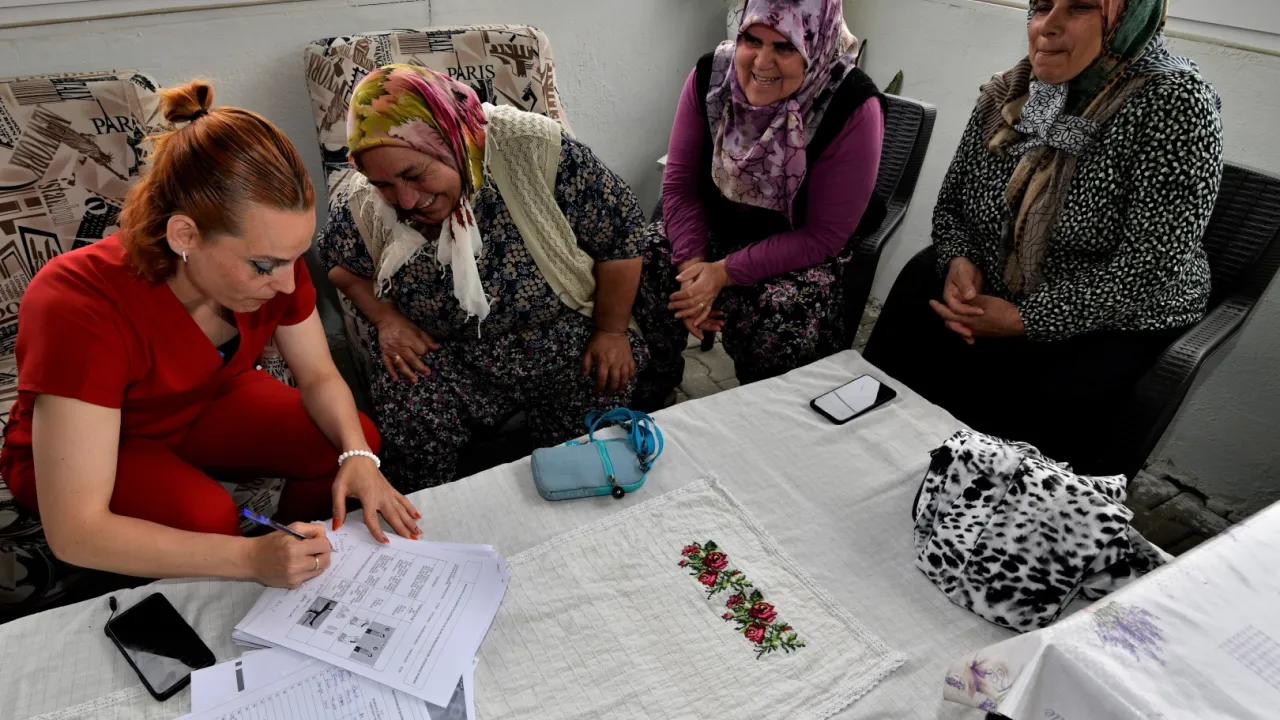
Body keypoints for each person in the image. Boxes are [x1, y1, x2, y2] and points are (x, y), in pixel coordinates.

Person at [0, 81, 421, 590]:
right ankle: (245, 573)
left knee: (352, 440)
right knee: (206, 518)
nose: (289, 285)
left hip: (201, 403)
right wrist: (249, 558)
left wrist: (357, 456)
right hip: (96, 446)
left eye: (295, 258)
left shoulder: (271, 261)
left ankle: (305, 557)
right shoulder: (76, 303)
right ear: (185, 236)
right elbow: (75, 531)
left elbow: (317, 376)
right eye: (264, 265)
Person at [864, 0, 1223, 474]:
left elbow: (1149, 267)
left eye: (1079, 7)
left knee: (1024, 415)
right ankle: (877, 458)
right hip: (999, 291)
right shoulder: (1012, 92)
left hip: (1111, 316)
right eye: (1041, 6)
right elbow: (952, 205)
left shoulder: (1175, 103)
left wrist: (1027, 319)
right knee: (918, 300)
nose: (1047, 26)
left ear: (1128, 17)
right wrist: (959, 260)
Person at [318, 65, 686, 493]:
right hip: (448, 353)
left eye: (415, 175)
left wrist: (611, 330)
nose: (405, 199)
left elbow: (620, 238)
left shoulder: (533, 148)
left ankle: (566, 494)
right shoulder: (364, 201)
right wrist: (388, 320)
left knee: (592, 424)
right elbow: (340, 266)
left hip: (561, 335)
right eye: (384, 184)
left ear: (454, 141)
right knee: (409, 416)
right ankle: (433, 512)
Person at [649, 0, 886, 385]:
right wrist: (693, 270)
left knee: (781, 312)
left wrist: (722, 274)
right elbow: (679, 185)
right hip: (719, 228)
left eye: (785, 47)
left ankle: (765, 409)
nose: (761, 62)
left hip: (796, 246)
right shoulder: (712, 77)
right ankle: (654, 391)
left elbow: (824, 236)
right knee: (646, 261)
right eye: (751, 40)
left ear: (815, 45)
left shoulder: (851, 105)